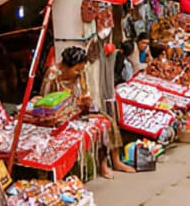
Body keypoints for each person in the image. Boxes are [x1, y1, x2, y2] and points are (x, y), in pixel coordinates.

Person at [42, 47, 134, 178]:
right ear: (65, 66)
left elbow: (85, 92)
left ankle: (113, 162)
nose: (79, 73)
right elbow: (45, 101)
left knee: (107, 122)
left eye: (81, 70)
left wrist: (85, 101)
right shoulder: (52, 74)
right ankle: (102, 165)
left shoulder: (80, 73)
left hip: (78, 112)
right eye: (76, 70)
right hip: (60, 116)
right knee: (94, 127)